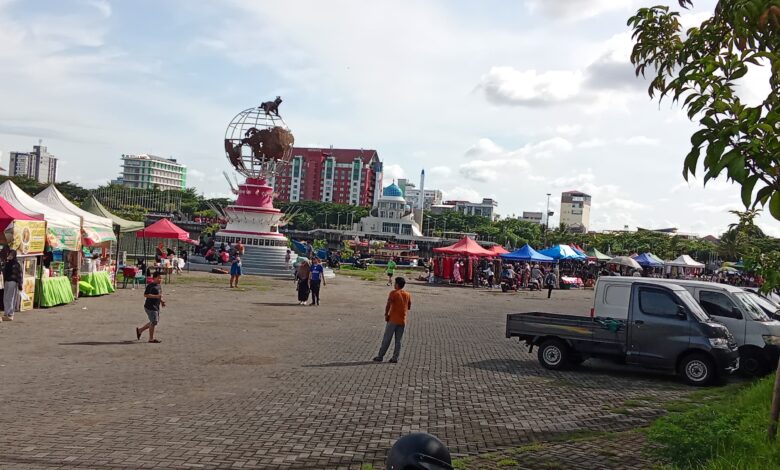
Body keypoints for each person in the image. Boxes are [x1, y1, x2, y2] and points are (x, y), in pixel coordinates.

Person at [373, 276, 412, 363]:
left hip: (393, 319)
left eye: (395, 283)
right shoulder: (408, 294)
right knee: (399, 340)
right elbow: (408, 306)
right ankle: (395, 357)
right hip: (402, 320)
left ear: (397, 285)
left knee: (387, 339)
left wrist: (386, 314)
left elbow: (388, 305)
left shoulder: (393, 293)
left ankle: (380, 356)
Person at [136, 272, 165, 343]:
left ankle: (140, 330)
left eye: (161, 278)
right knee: (154, 322)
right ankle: (151, 339)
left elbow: (159, 295)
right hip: (150, 306)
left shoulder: (159, 286)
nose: (160, 279)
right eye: (159, 278)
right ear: (154, 278)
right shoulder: (150, 286)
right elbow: (145, 295)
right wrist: (156, 296)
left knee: (154, 321)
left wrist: (161, 301)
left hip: (156, 306)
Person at [2, 250, 22, 321]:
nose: (9, 255)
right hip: (7, 282)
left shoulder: (16, 264)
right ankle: (6, 313)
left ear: (14, 255)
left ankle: (10, 314)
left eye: (11, 254)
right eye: (9, 254)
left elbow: (19, 275)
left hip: (13, 282)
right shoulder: (7, 263)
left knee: (10, 298)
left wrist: (20, 284)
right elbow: (4, 271)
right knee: (6, 297)